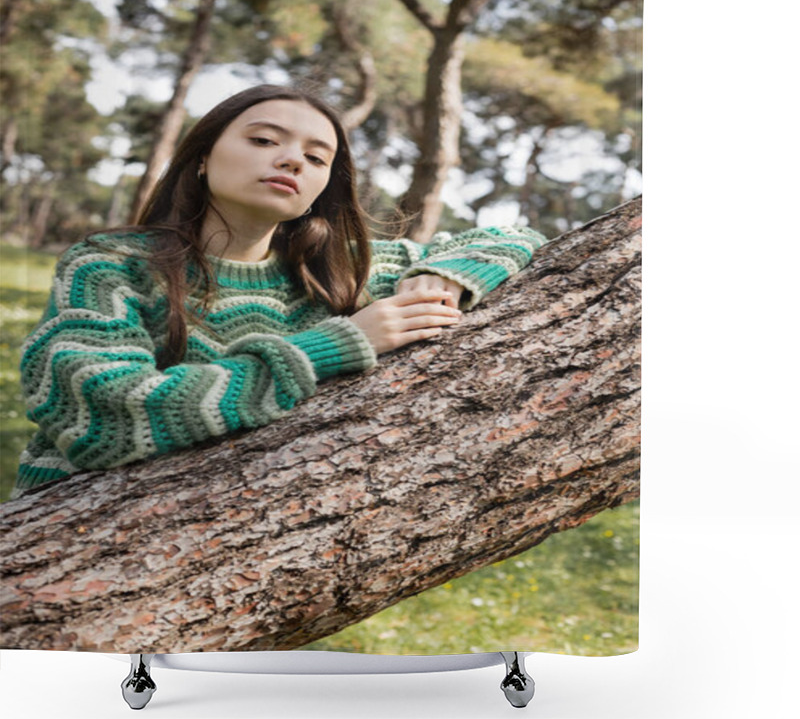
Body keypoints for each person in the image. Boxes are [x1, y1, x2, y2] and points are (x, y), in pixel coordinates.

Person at [11, 85, 547, 499]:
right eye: (265, 141)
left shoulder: (340, 273)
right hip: (68, 538)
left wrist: (444, 277)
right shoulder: (111, 265)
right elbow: (102, 416)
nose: (293, 160)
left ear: (321, 188)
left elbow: (511, 236)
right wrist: (331, 347)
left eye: (317, 158)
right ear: (202, 156)